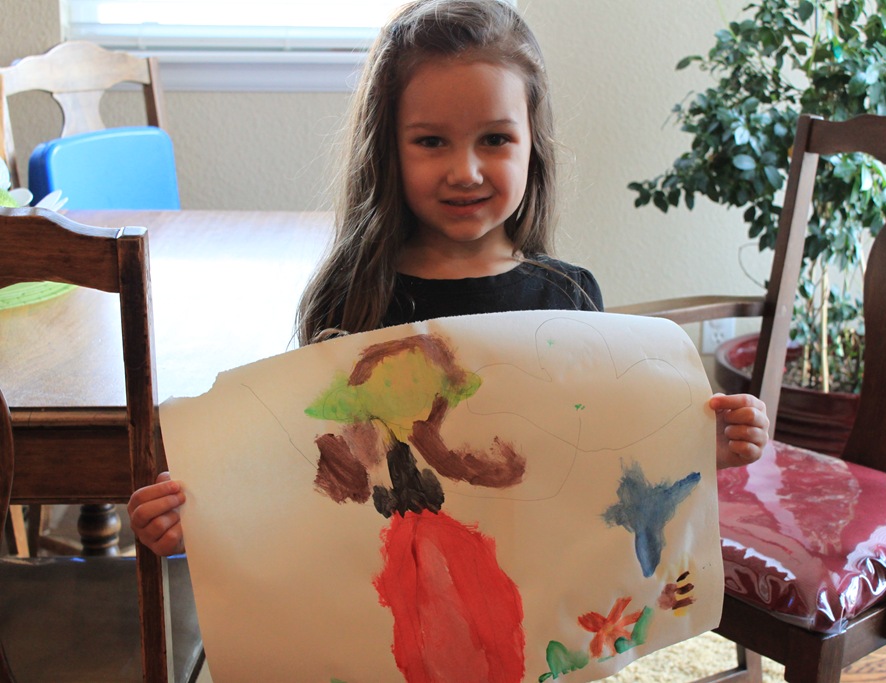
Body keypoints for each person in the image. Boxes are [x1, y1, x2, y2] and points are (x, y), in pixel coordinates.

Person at [128, 0, 769, 558]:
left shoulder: (568, 298)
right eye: (432, 142)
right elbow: (314, 469)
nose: (465, 171)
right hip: (389, 596)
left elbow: (601, 458)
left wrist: (701, 446)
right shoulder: (351, 295)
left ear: (533, 145)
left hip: (541, 598)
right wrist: (201, 520)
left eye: (495, 139)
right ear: (388, 147)